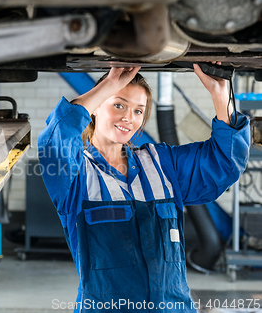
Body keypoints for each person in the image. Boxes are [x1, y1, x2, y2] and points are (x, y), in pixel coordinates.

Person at [38, 66, 250, 313]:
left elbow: (224, 162)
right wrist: (108, 84)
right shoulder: (77, 175)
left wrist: (220, 95)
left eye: (138, 111)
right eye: (119, 105)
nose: (129, 117)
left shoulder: (161, 163)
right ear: (95, 108)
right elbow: (54, 143)